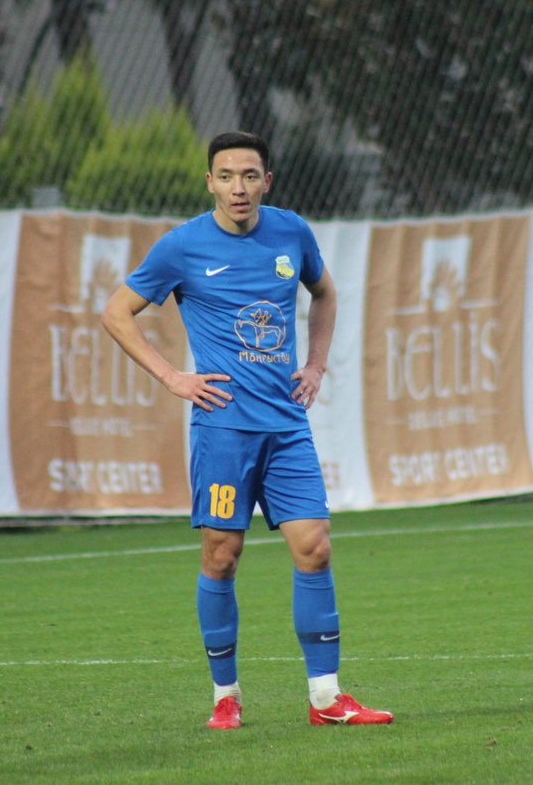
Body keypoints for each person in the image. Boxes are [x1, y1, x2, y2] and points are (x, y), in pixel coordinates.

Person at [101, 131, 392, 730]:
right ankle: (225, 696)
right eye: (228, 175)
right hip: (224, 431)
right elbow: (115, 312)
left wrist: (316, 364)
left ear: (267, 182)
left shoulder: (291, 232)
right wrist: (173, 377)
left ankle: (326, 698)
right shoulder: (182, 246)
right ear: (209, 182)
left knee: (315, 547)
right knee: (222, 556)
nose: (239, 187)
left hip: (286, 426)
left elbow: (325, 293)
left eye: (250, 175)